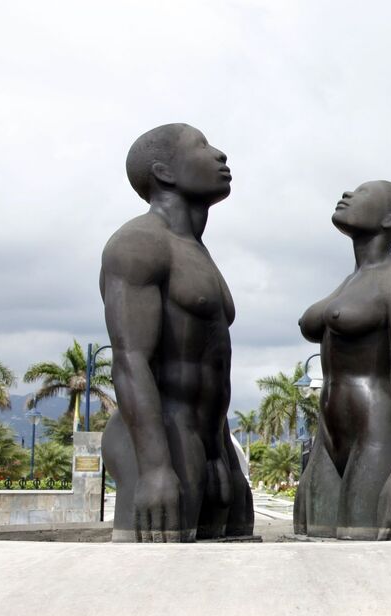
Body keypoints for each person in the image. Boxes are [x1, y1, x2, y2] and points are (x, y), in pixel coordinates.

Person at [100, 123, 253, 542]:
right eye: (202, 146)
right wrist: (153, 468)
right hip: (162, 439)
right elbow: (131, 359)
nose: (220, 154)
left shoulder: (198, 253)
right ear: (164, 172)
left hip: (211, 439)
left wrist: (224, 455)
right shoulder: (138, 244)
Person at [295, 181, 391, 540]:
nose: (348, 193)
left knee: (361, 541)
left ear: (388, 219)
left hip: (377, 432)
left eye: (363, 192)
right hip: (330, 433)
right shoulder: (350, 282)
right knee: (313, 539)